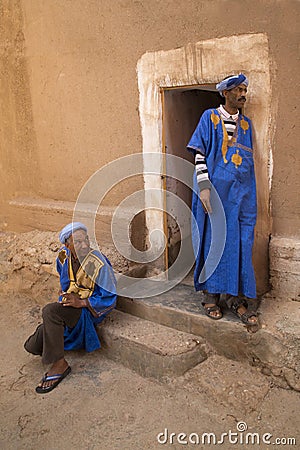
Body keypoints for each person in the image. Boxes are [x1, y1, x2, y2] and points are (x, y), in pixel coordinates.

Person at [187, 73, 258, 326]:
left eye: (244, 90)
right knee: (213, 242)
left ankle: (235, 297)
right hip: (214, 194)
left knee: (240, 242)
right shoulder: (210, 118)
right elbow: (199, 154)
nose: (242, 94)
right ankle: (211, 295)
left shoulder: (247, 125)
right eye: (238, 90)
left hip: (241, 197)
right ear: (225, 93)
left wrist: (246, 196)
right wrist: (204, 187)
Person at [24, 222, 117, 393]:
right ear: (67, 245)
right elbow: (65, 281)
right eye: (78, 242)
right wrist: (66, 295)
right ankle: (53, 329)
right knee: (31, 346)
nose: (85, 245)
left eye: (86, 240)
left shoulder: (99, 263)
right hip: (71, 305)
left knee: (49, 311)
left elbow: (110, 298)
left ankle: (60, 364)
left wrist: (82, 302)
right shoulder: (62, 256)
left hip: (89, 308)